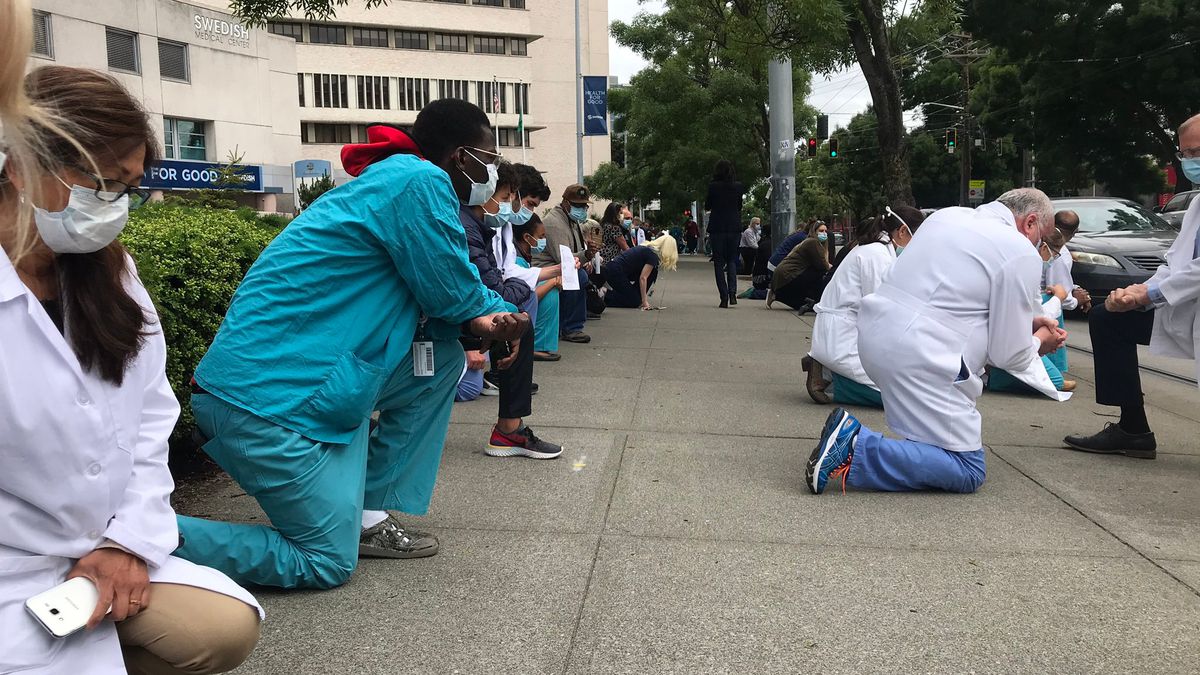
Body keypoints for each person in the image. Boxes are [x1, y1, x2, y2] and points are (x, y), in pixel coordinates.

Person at [176, 100, 529, 590]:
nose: (492, 171)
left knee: (440, 361)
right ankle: (141, 539)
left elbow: (449, 291)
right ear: (459, 155)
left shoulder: (394, 179)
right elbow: (450, 287)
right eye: (488, 158)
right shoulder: (418, 181)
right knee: (326, 560)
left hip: (283, 388)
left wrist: (484, 319)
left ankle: (366, 514)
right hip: (266, 406)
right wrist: (491, 318)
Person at [2, 63, 261, 673]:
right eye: (101, 182)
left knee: (222, 629)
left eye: (127, 188)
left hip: (99, 543)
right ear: (19, 165)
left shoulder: (106, 271)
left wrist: (125, 543)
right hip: (12, 559)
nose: (112, 205)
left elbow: (149, 416)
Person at [806, 189, 1068, 495]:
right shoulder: (1019, 251)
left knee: (932, 442)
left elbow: (952, 297)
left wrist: (1028, 322)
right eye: (1043, 239)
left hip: (877, 337)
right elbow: (1008, 354)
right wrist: (1038, 341)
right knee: (967, 468)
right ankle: (855, 445)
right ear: (1030, 222)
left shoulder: (947, 216)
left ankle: (863, 446)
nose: (1041, 247)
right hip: (921, 353)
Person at [1065, 114, 1200, 460]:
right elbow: (1174, 262)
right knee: (1108, 319)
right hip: (1185, 307)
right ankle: (1133, 430)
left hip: (1186, 303)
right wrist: (1137, 295)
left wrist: (1150, 294)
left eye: (1197, 151)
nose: (1191, 161)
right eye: (1187, 154)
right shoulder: (1197, 204)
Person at [459, 162, 564, 459]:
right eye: (505, 198)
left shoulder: (482, 226)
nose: (512, 208)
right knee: (463, 387)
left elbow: (494, 284)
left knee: (520, 319)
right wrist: (469, 343)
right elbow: (498, 288)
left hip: (457, 318)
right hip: (441, 326)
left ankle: (509, 428)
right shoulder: (468, 226)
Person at [804, 205, 925, 407]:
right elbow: (881, 311)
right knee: (905, 398)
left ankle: (828, 372)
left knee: (909, 387)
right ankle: (828, 377)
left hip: (845, 331)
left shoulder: (878, 251)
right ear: (902, 231)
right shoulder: (877, 256)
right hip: (842, 338)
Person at [532, 183, 593, 343]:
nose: (583, 209)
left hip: (558, 267)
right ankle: (571, 327)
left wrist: (588, 255)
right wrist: (586, 255)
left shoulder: (570, 220)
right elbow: (564, 260)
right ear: (566, 203)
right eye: (578, 205)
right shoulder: (554, 222)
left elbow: (575, 253)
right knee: (579, 275)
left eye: (584, 205)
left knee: (583, 273)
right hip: (546, 269)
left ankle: (570, 323)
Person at [512, 213, 563, 362]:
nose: (543, 241)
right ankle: (536, 346)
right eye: (540, 237)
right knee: (550, 289)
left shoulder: (523, 256)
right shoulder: (517, 260)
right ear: (527, 237)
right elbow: (527, 297)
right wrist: (552, 282)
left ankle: (540, 344)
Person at [705, 159, 746, 307]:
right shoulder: (738, 187)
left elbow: (708, 204)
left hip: (717, 227)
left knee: (718, 262)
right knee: (731, 261)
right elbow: (739, 206)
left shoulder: (713, 186)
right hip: (734, 227)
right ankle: (732, 293)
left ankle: (723, 297)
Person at [768, 220, 830, 313]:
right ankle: (777, 295)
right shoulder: (812, 242)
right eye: (821, 231)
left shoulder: (813, 242)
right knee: (820, 273)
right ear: (814, 231)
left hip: (787, 273)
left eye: (825, 231)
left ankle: (778, 295)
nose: (824, 234)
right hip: (788, 274)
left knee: (802, 305)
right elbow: (822, 265)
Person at [603, 234, 679, 309]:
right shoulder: (652, 255)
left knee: (652, 273)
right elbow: (643, 278)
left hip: (615, 269)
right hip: (615, 272)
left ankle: (633, 296)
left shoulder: (648, 250)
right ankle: (605, 295)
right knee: (634, 302)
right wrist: (644, 301)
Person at [1050, 210, 1092, 315]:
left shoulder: (1037, 241)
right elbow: (1058, 293)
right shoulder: (1060, 254)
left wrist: (1074, 288)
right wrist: (1077, 300)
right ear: (1075, 232)